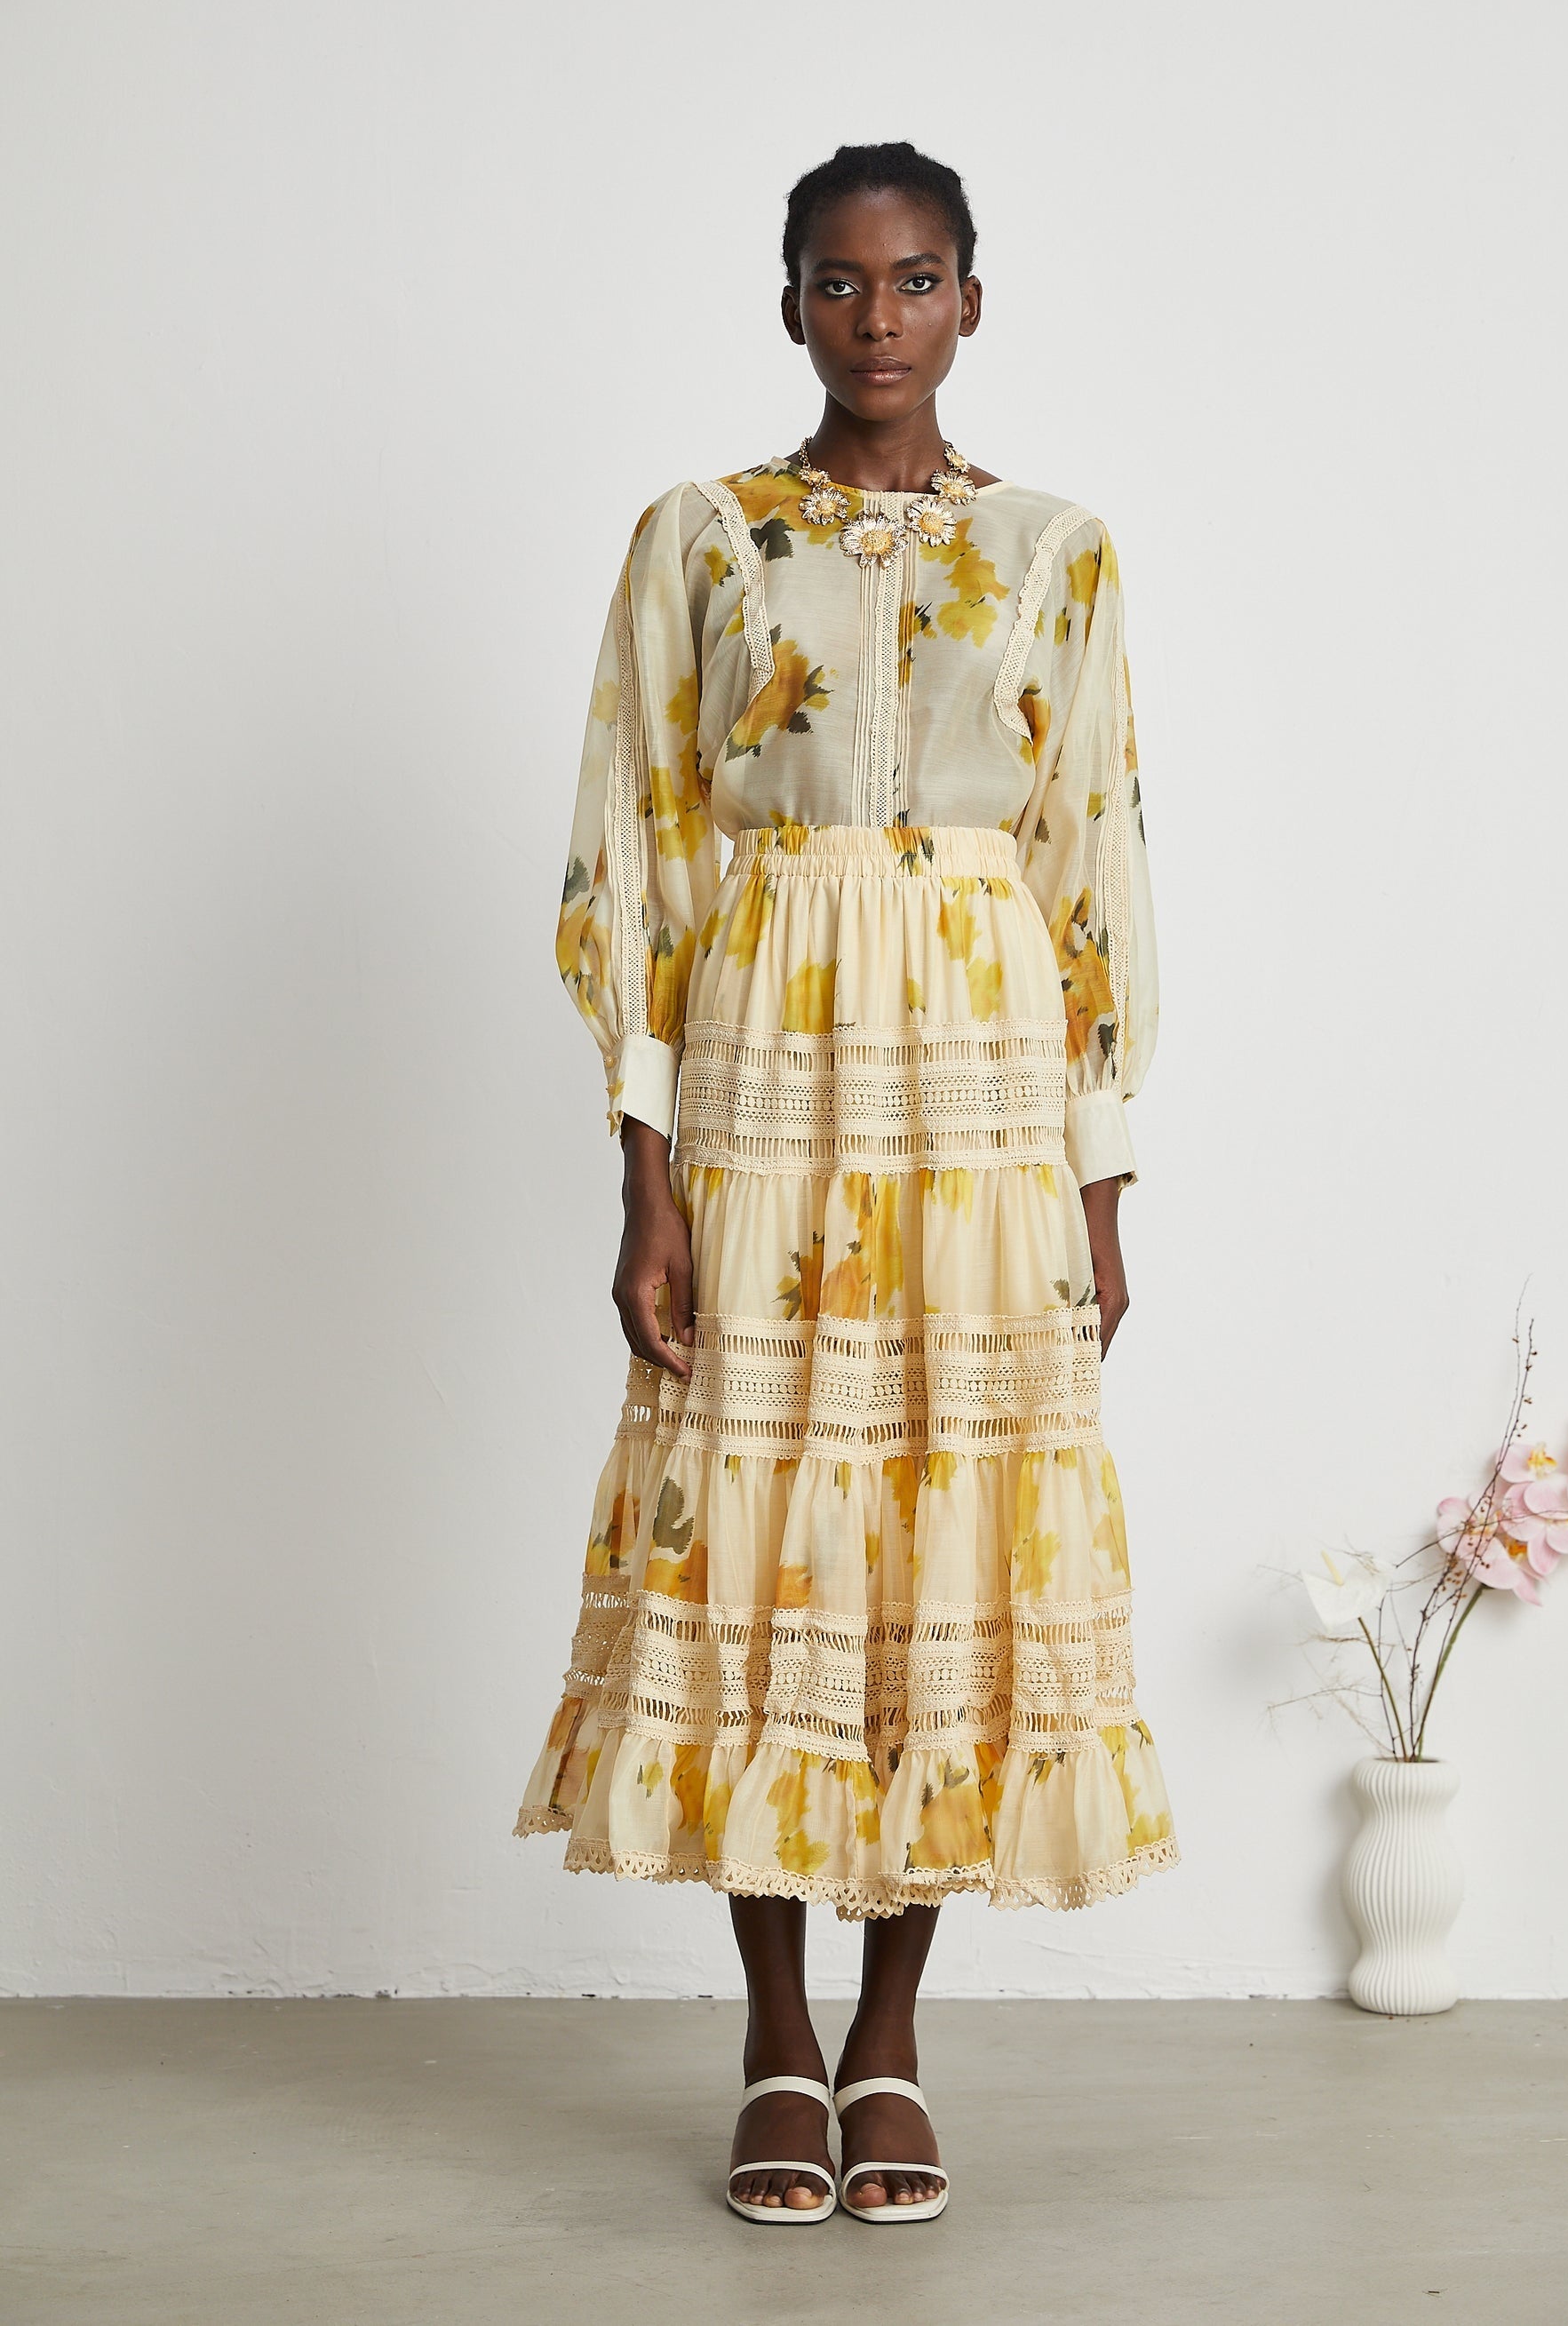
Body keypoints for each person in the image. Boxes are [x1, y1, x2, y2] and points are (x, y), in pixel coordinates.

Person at [515, 140, 1178, 2225]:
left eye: (914, 280)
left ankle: (895, 2040)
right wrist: (646, 1175)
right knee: (763, 1528)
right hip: (764, 1093)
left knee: (942, 1548)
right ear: (787, 300)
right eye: (836, 280)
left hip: (978, 1108)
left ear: (974, 300)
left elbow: (1097, 868)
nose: (875, 317)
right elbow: (634, 850)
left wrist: (1100, 1176)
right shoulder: (698, 541)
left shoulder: (1061, 551)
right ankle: (775, 2037)